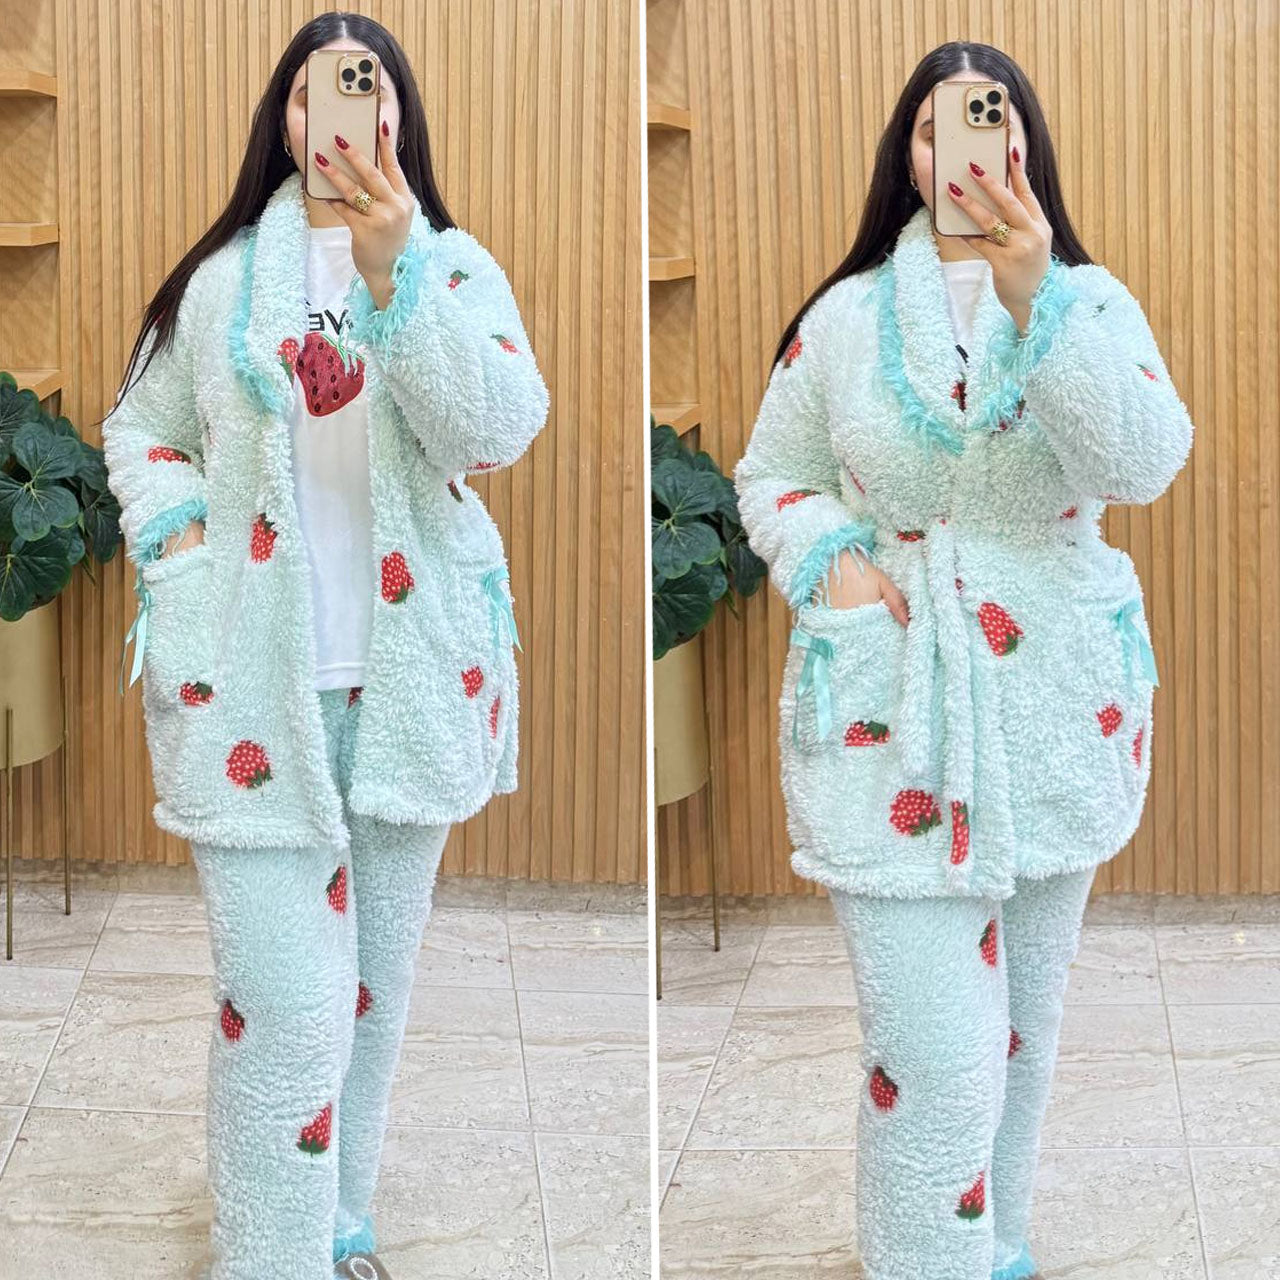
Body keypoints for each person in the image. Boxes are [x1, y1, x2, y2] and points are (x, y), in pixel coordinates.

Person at [733, 40, 1192, 1280]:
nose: (964, 150)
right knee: (932, 1052)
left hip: (1055, 699)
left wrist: (1038, 301)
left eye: (990, 122)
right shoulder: (839, 321)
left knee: (1021, 1030)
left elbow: (1142, 462)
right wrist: (832, 562)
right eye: (938, 127)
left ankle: (994, 1246)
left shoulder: (1088, 304)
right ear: (909, 153)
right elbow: (771, 473)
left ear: (1024, 148)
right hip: (889, 698)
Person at [99, 13, 548, 1280]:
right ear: (283, 120)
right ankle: (267, 1253)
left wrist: (397, 275)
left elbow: (497, 430)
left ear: (396, 115)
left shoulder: (453, 268)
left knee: (369, 987)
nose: (341, 116)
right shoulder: (219, 282)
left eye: (365, 88)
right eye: (315, 95)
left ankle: (336, 1217)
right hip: (250, 684)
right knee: (281, 1002)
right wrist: (185, 555)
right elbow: (141, 431)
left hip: (413, 677)